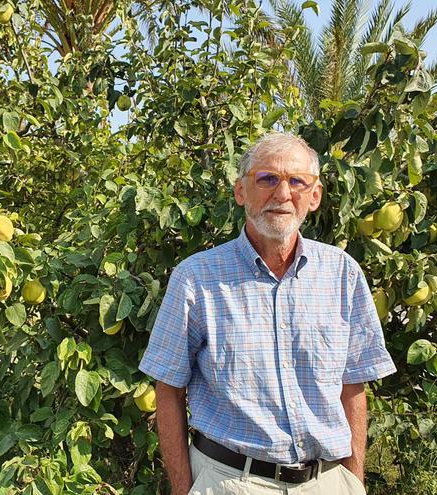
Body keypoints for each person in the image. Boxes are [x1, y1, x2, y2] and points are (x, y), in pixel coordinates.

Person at [139, 132, 396, 495]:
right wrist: (184, 489)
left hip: (327, 484)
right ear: (241, 191)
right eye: (268, 179)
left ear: (315, 196)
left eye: (297, 181)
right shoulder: (196, 279)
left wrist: (352, 481)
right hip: (229, 482)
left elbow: (352, 385)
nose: (283, 193)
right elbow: (167, 392)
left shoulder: (342, 274)